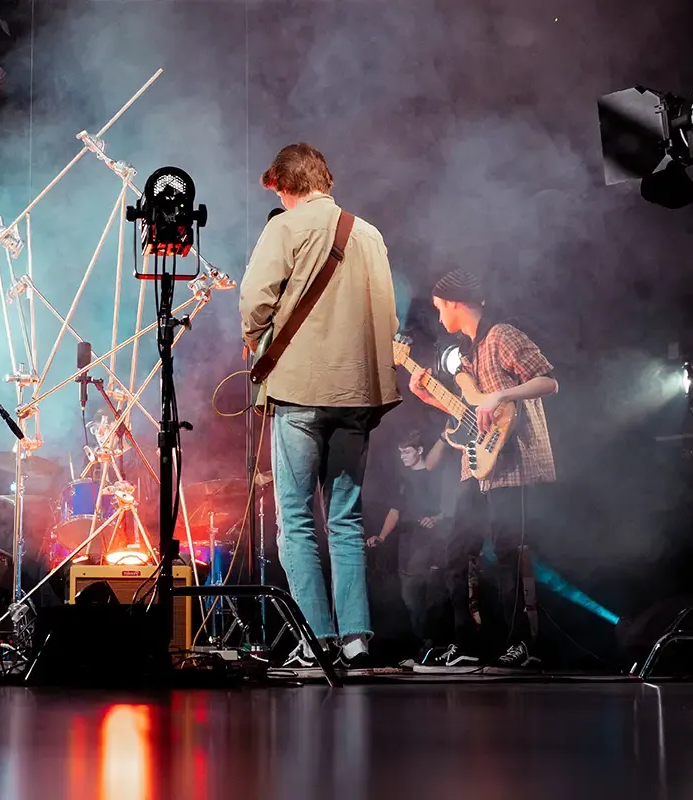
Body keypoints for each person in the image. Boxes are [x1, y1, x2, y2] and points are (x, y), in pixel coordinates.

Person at [238, 143, 401, 671]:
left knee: (296, 521)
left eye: (280, 194)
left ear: (287, 186)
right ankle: (355, 639)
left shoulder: (283, 228)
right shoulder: (370, 234)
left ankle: (315, 640)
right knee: (347, 520)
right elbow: (387, 318)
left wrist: (254, 340)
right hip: (357, 394)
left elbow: (254, 300)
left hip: (299, 391)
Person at [399, 269, 558, 669]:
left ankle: (521, 644)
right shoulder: (466, 352)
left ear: (454, 303)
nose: (438, 318)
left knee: (508, 554)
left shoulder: (501, 335)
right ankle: (467, 642)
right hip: (478, 465)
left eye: (439, 308)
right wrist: (425, 392)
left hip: (514, 462)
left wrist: (501, 394)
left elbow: (548, 381)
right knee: (456, 552)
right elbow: (468, 414)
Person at [367, 429, 477, 668]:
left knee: (434, 599)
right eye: (400, 453)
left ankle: (439, 647)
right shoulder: (402, 481)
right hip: (408, 547)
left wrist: (435, 520)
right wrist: (382, 537)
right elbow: (394, 511)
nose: (403, 457)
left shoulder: (435, 475)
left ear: (419, 450)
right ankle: (422, 647)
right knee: (410, 599)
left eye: (406, 452)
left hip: (434, 544)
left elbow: (450, 509)